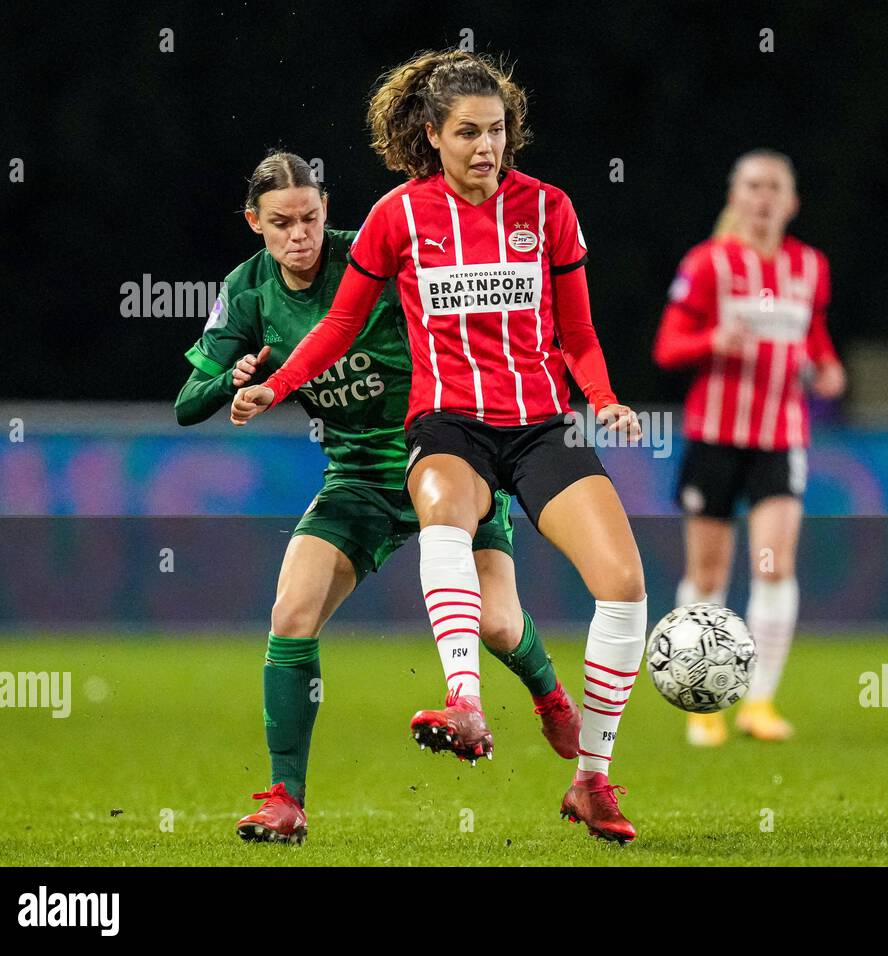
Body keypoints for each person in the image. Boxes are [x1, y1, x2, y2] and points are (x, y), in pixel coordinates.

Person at [230, 52, 647, 844]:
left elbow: (580, 333)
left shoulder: (549, 209)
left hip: (538, 425)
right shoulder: (399, 216)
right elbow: (342, 324)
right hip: (449, 424)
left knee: (624, 584)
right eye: (468, 133)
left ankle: (591, 780)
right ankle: (465, 701)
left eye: (496, 131)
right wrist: (275, 386)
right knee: (444, 507)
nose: (486, 147)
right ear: (433, 135)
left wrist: (605, 400)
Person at [178, 151, 580, 844]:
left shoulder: (372, 255)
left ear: (326, 210)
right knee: (291, 614)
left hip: (449, 458)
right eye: (280, 223)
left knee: (499, 627)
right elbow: (188, 403)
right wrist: (231, 380)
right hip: (358, 477)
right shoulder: (246, 292)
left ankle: (548, 694)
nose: (298, 234)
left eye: (309, 217)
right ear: (254, 223)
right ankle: (285, 799)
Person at [653, 149, 845, 747]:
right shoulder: (708, 264)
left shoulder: (811, 267)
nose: (763, 198)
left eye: (774, 188)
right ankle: (701, 702)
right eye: (753, 187)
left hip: (781, 437)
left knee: (775, 564)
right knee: (708, 575)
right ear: (736, 198)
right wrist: (714, 338)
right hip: (714, 435)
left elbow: (814, 341)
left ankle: (759, 701)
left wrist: (829, 369)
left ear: (791, 202)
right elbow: (667, 348)